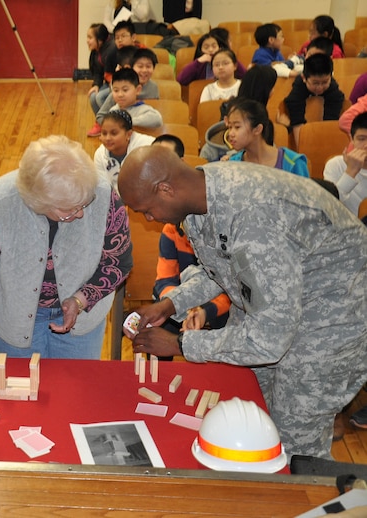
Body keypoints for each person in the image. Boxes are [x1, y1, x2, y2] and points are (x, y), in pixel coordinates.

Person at [117, 145, 367, 458]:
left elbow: (269, 340)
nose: (149, 219)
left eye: (145, 210)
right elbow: (225, 268)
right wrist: (171, 304)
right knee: (251, 412)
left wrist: (180, 344)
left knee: (294, 444)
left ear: (166, 189)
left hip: (333, 319)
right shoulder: (199, 197)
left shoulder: (252, 215)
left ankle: (299, 503)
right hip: (278, 304)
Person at [0, 134, 131, 376]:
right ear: (37, 203)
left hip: (83, 321)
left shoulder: (102, 195)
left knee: (75, 395)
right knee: (21, 397)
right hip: (13, 318)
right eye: (69, 210)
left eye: (84, 204)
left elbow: (118, 261)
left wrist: (80, 300)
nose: (80, 215)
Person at [150, 137, 231, 338]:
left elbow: (232, 286)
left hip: (220, 306)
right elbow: (165, 279)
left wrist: (206, 310)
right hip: (181, 302)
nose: (149, 218)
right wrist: (181, 306)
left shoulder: (220, 223)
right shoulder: (171, 229)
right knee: (162, 322)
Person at [226, 98, 309, 177]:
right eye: (229, 127)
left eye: (237, 127)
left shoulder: (293, 163)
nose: (231, 134)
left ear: (257, 129)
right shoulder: (232, 164)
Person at [91, 47, 158, 136]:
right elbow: (101, 116)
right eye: (140, 66)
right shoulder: (120, 90)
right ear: (130, 67)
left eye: (148, 66)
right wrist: (115, 125)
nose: (144, 70)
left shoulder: (154, 87)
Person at [283, 53, 344, 145]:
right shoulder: (297, 92)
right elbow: (297, 123)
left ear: (331, 76)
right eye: (315, 83)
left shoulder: (335, 93)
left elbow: (330, 124)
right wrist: (303, 149)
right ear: (304, 78)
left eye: (325, 82)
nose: (320, 87)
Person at [94, 109, 154, 191]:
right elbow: (102, 186)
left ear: (128, 134)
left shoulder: (147, 145)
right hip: (117, 201)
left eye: (114, 133)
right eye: (104, 133)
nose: (107, 138)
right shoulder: (100, 154)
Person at [324, 111, 367, 217]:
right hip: (346, 229)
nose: (366, 145)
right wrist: (350, 172)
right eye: (361, 139)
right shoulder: (336, 165)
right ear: (352, 140)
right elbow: (329, 207)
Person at [177, 32, 246, 86]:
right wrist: (197, 62)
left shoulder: (228, 62)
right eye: (206, 47)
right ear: (200, 50)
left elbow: (246, 76)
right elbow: (181, 80)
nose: (210, 50)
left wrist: (229, 57)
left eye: (214, 46)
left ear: (220, 48)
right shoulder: (198, 66)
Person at [86, 23, 115, 137]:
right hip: (108, 83)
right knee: (93, 96)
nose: (87, 41)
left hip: (116, 85)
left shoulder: (111, 50)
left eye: (90, 37)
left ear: (100, 40)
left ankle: (112, 126)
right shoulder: (96, 50)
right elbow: (97, 71)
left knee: (100, 97)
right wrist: (96, 84)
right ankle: (101, 125)